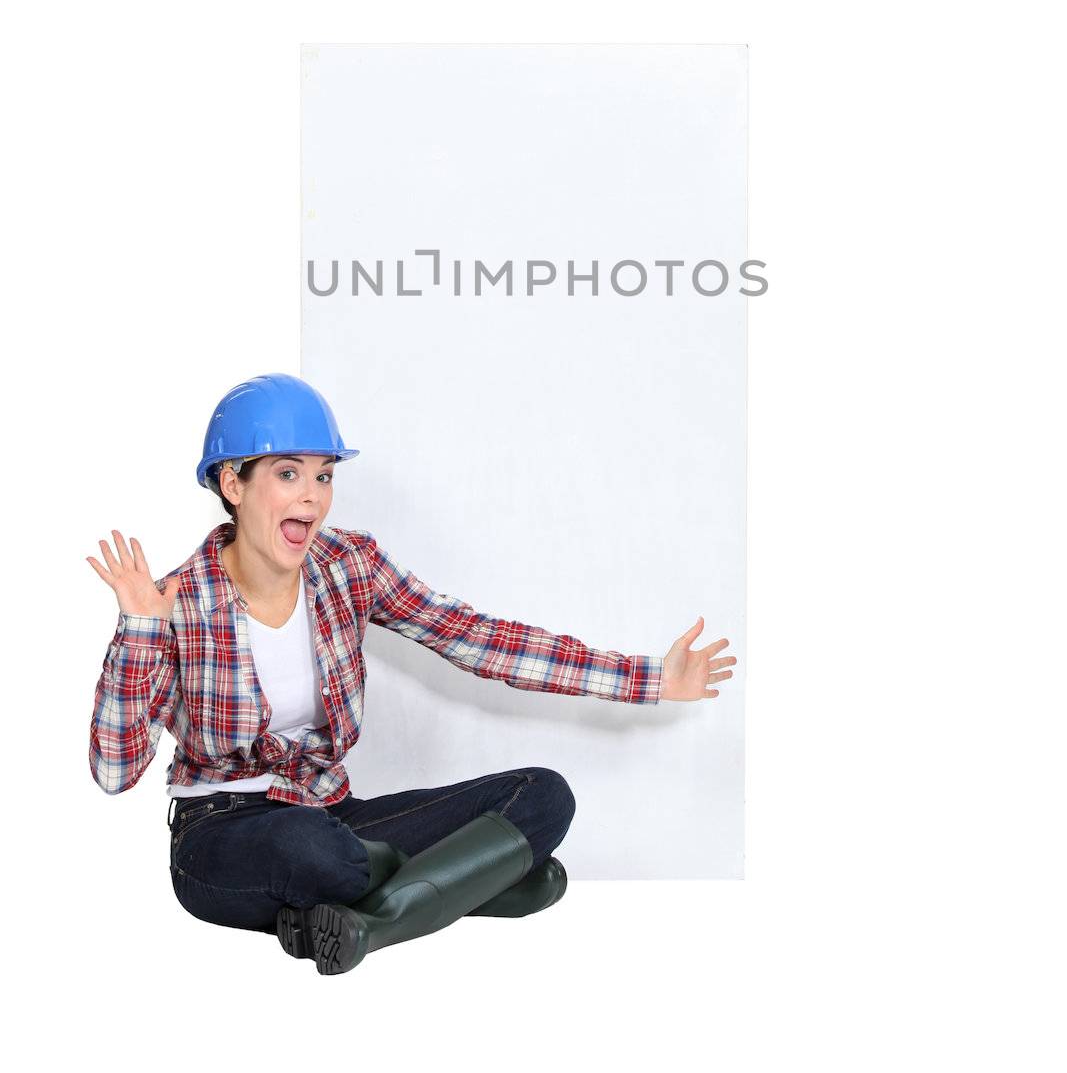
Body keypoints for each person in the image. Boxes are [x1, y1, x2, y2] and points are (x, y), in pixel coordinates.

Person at [88, 372, 736, 975]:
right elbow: (115, 771)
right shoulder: (175, 601)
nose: (313, 496)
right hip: (223, 836)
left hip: (336, 817)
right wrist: (139, 631)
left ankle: (364, 925)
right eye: (288, 474)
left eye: (324, 475)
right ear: (233, 482)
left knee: (542, 796)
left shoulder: (349, 566)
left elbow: (475, 638)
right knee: (323, 852)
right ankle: (455, 885)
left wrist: (645, 679)